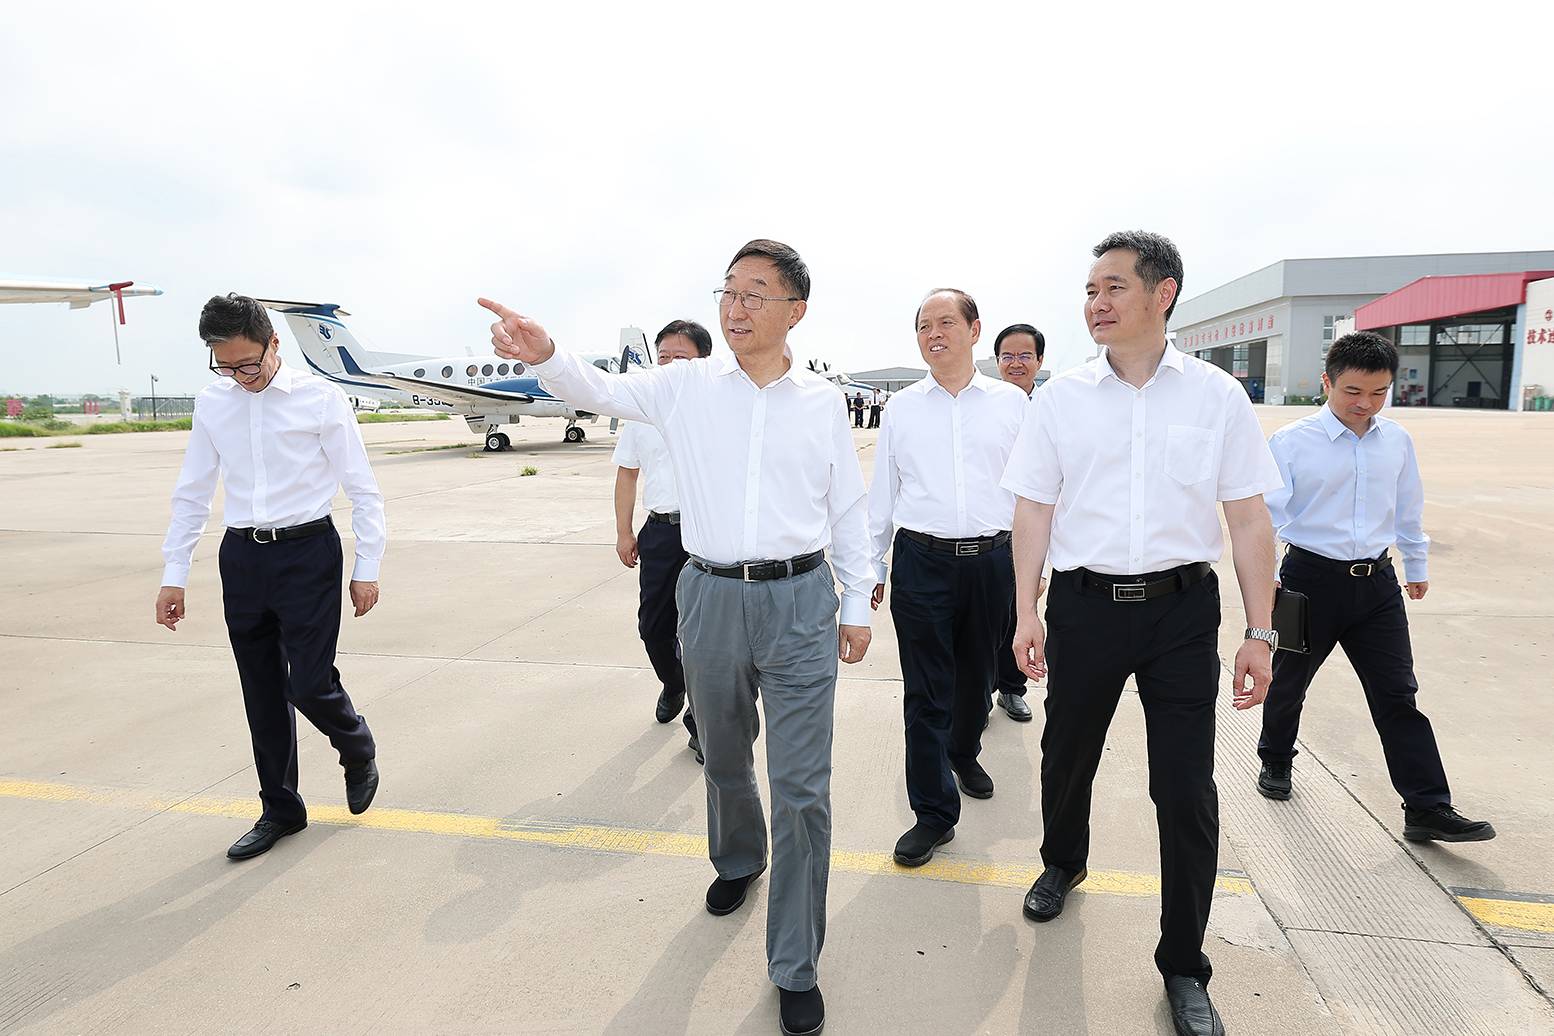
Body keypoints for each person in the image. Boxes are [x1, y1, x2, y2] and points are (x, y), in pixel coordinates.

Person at [480, 238, 872, 1036]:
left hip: (801, 600)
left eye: (755, 293)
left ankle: (795, 961)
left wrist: (857, 600)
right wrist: (546, 353)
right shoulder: (684, 385)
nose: (735, 307)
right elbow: (599, 387)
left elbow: (846, 505)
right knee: (724, 756)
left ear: (795, 310)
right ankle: (740, 858)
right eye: (728, 291)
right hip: (711, 594)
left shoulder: (821, 402)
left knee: (803, 787)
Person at [1003, 232, 1282, 1036]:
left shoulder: (1217, 397)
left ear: (1163, 294)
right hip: (1085, 607)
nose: (1096, 302)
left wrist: (1261, 631)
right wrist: (1027, 610)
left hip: (1180, 614)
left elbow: (1248, 519)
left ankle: (1184, 964)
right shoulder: (1061, 400)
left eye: (1114, 287)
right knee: (1067, 756)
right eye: (1090, 290)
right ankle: (1063, 861)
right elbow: (1033, 509)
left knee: (1186, 789)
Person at [155, 293, 384, 861]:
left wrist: (367, 568)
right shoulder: (213, 403)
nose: (240, 377)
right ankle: (281, 810)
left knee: (308, 684)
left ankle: (356, 746)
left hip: (308, 553)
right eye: (226, 366)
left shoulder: (320, 398)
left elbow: (363, 489)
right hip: (242, 558)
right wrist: (173, 574)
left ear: (273, 343)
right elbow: (193, 491)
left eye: (248, 364)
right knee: (260, 690)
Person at [1257, 331, 1495, 842]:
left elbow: (1408, 506)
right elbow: (1267, 517)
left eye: (1378, 393)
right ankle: (1276, 757)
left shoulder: (1397, 441)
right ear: (1327, 382)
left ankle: (1426, 806)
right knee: (1290, 682)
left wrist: (1416, 564)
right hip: (1308, 582)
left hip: (1377, 585)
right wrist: (1266, 580)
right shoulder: (1291, 442)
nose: (1365, 404)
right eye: (1353, 391)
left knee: (1397, 694)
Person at [868, 290, 1027, 866]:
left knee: (978, 679)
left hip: (992, 562)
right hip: (921, 561)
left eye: (945, 323)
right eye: (923, 326)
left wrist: (1036, 570)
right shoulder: (902, 408)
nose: (933, 334)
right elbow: (884, 490)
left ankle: (963, 751)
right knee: (926, 689)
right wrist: (873, 565)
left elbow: (1035, 491)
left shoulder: (1011, 404)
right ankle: (933, 813)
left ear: (974, 330)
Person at [613, 319, 713, 764]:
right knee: (654, 627)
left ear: (704, 362)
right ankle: (673, 683)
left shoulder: (719, 410)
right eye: (664, 357)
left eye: (681, 357)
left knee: (704, 634)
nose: (670, 365)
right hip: (659, 531)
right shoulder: (642, 412)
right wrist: (624, 531)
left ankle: (701, 723)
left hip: (707, 533)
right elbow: (627, 474)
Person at [991, 323, 1046, 723]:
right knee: (986, 619)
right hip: (993, 531)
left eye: (1025, 355)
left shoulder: (1053, 406)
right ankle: (979, 691)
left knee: (1019, 614)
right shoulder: (985, 406)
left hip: (1033, 529)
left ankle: (1012, 688)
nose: (1015, 363)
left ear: (1039, 361)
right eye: (1007, 356)